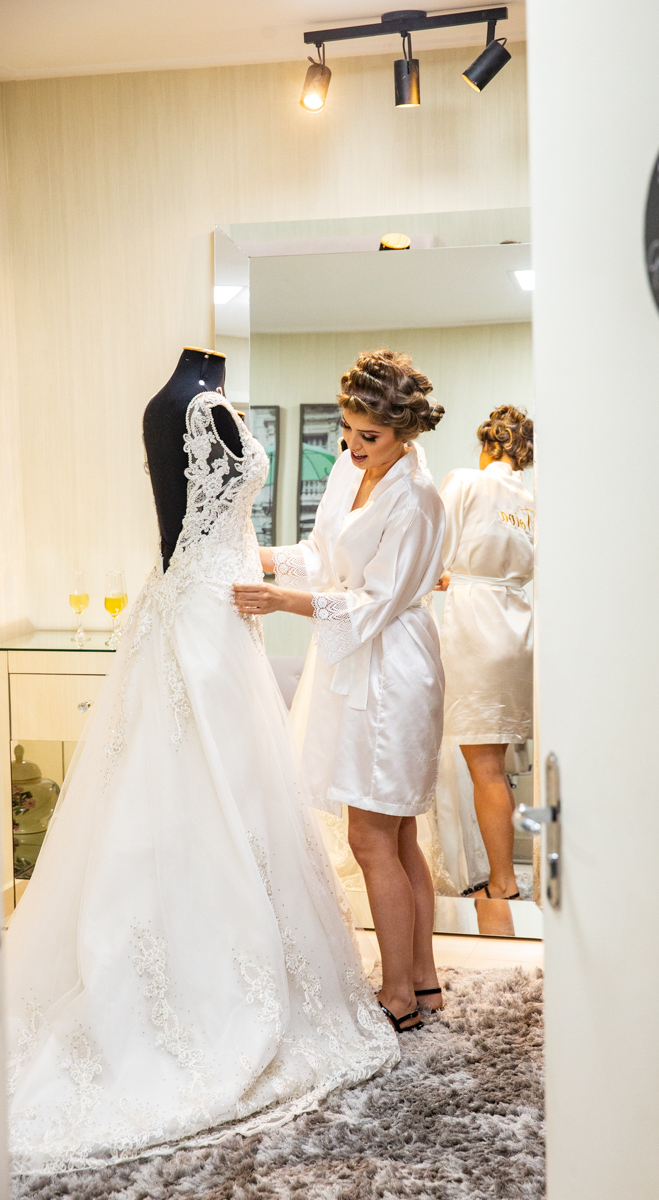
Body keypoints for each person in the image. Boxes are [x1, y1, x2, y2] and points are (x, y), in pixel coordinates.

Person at [4, 366, 397, 1176]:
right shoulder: (190, 405)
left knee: (233, 792)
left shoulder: (188, 404)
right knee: (192, 789)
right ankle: (181, 991)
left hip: (219, 610)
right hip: (203, 618)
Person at [234, 350, 446, 1033]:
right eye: (347, 428)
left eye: (368, 435)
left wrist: (282, 601)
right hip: (355, 662)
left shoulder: (417, 499)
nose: (352, 445)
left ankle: (398, 995)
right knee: (398, 834)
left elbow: (375, 601)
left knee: (373, 836)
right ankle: (423, 981)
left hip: (392, 668)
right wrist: (263, 559)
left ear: (404, 431)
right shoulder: (352, 473)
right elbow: (323, 557)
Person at [436, 404, 534, 900]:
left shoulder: (466, 482)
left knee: (486, 769)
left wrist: (441, 574)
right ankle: (506, 877)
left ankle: (503, 883)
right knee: (500, 764)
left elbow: (434, 547)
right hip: (518, 627)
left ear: (486, 445)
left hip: (476, 627)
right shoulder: (531, 500)